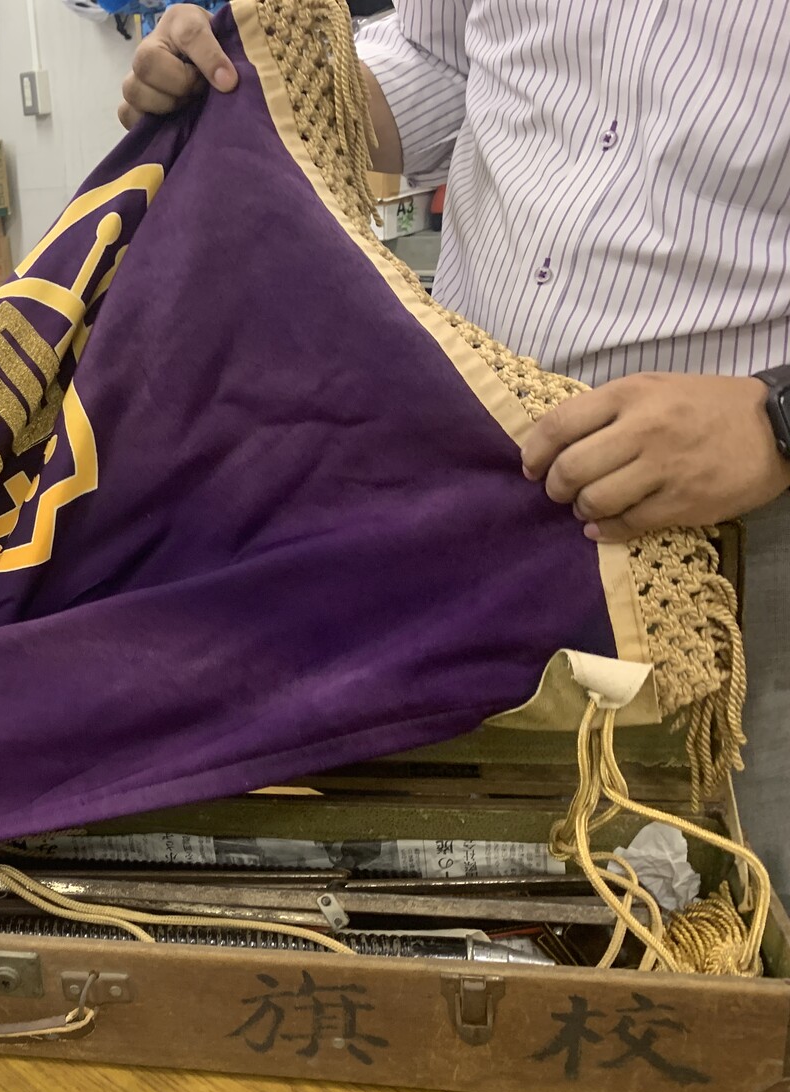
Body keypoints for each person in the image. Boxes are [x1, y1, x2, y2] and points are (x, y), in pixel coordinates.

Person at [118, 2, 790, 889]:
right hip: (471, 490)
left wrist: (779, 422)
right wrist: (265, 82)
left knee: (758, 886)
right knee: (492, 876)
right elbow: (439, 59)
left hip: (746, 535)